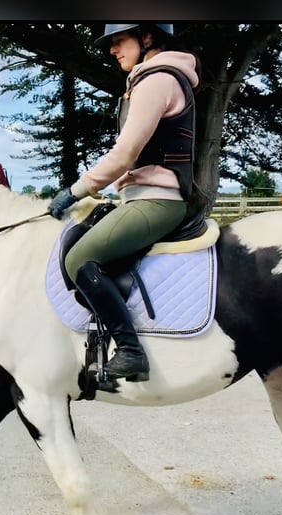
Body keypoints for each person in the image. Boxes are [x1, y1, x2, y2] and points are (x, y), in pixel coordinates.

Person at [48, 23, 209, 383]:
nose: (112, 50)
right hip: (139, 197)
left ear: (147, 37)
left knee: (79, 259)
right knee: (74, 240)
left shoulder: (157, 81)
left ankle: (132, 351)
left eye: (119, 41)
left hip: (159, 201)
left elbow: (124, 156)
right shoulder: (144, 81)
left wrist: (75, 191)